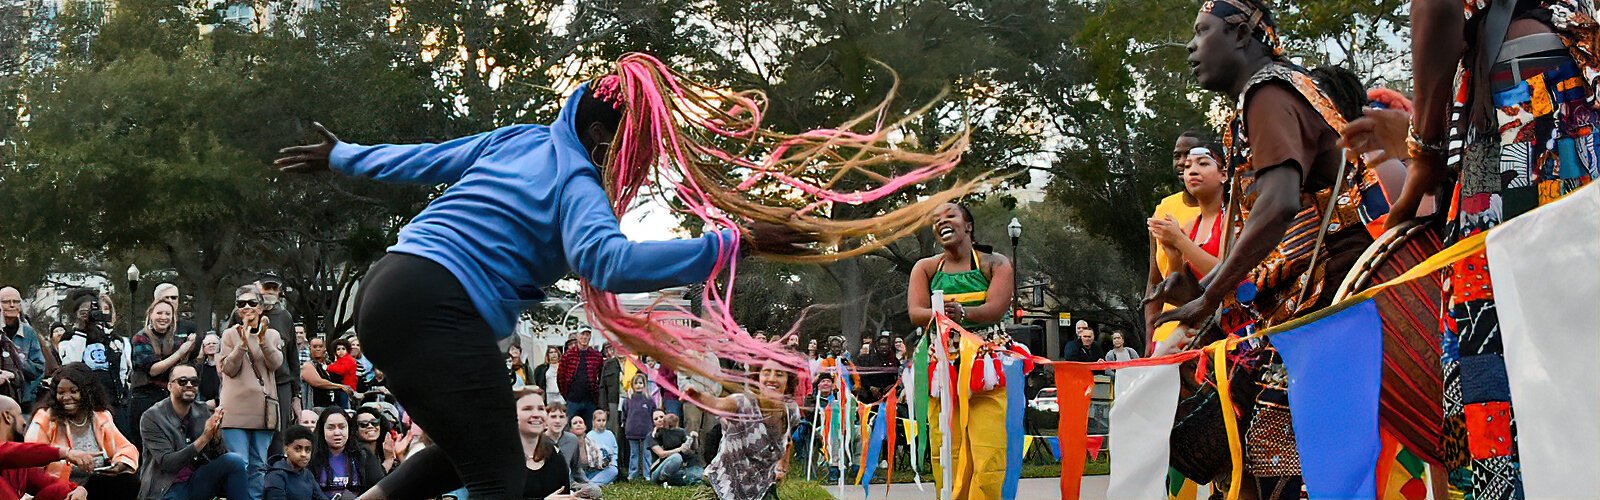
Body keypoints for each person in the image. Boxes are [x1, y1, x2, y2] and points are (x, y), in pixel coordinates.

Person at [271, 45, 998, 495]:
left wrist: (342, 156)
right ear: (610, 140)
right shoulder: (578, 181)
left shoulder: (518, 139)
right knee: (501, 478)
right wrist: (725, 243)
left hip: (387, 289)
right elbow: (610, 262)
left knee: (466, 455)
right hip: (441, 305)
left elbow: (423, 157)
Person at [1337, 0, 1598, 496]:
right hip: (1569, 97)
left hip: (1525, 103)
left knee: (1498, 351)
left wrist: (1423, 154)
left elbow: (1435, 10)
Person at [1159, 1, 1383, 496]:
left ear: (1240, 34)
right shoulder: (1273, 93)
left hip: (1329, 298)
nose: (1192, 48)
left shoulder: (1268, 90)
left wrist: (1212, 294)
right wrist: (1204, 291)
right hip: (1320, 300)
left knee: (1281, 472)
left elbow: (1279, 205)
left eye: (1202, 32)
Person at [907, 201, 1021, 499]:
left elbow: (996, 308)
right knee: (947, 453)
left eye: (950, 216)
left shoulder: (995, 263)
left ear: (968, 225)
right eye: (936, 219)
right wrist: (938, 313)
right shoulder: (926, 267)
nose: (942, 222)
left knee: (987, 455)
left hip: (984, 372)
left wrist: (962, 313)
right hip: (942, 372)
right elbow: (915, 311)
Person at [365, 392, 578, 499]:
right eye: (528, 408)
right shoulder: (490, 459)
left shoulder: (554, 457)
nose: (536, 414)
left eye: (541, 408)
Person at [685, 361, 800, 500]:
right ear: (758, 378)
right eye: (766, 373)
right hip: (721, 490)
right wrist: (699, 398)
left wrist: (783, 465)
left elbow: (787, 441)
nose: (771, 378)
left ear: (788, 381)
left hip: (760, 492)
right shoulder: (743, 404)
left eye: (779, 374)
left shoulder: (791, 411)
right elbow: (716, 403)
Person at [137, 364, 252, 500]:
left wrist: (215, 437)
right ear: (169, 386)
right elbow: (167, 463)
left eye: (194, 381)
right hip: (165, 488)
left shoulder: (202, 411)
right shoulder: (152, 417)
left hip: (196, 480)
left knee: (235, 461)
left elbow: (219, 456)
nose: (190, 385)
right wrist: (204, 438)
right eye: (183, 381)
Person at [25, 363, 139, 497]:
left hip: (93, 487)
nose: (66, 397)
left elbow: (126, 448)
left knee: (129, 481)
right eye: (61, 392)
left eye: (73, 391)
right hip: (58, 488)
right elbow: (31, 461)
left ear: (87, 391)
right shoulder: (45, 418)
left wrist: (119, 465)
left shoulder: (100, 416)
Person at [1143, 132, 1209, 352]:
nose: (1182, 163)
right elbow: (1154, 283)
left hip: (1206, 334)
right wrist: (1149, 341)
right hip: (1165, 336)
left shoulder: (1223, 211)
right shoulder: (1164, 209)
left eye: (1190, 155)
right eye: (1177, 156)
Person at [218, 284, 286, 498]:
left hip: (263, 409)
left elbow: (276, 364)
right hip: (235, 408)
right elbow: (228, 369)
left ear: (261, 307)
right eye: (241, 304)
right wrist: (242, 343)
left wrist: (263, 340)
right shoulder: (229, 335)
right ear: (237, 310)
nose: (247, 307)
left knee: (259, 464)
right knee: (240, 462)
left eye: (252, 303)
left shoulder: (273, 334)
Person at [55, 291, 131, 437]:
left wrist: (122, 394)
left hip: (114, 400)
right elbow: (70, 364)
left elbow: (122, 370)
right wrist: (82, 329)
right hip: (86, 402)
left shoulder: (113, 338)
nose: (90, 314)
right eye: (84, 311)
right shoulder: (69, 338)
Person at [1149, 146, 1227, 282]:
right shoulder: (1190, 227)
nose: (1192, 172)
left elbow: (1228, 276)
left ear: (1223, 175)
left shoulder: (1234, 218)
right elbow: (1177, 293)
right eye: (1187, 166)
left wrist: (1179, 240)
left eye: (1203, 163)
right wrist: (1174, 255)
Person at [128, 299, 199, 449]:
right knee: (145, 446)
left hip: (169, 398)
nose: (163, 317)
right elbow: (152, 370)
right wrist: (180, 352)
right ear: (151, 315)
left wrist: (189, 351)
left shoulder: (178, 340)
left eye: (168, 314)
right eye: (159, 313)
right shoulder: (140, 338)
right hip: (145, 397)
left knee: (173, 444)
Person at [0, 395, 91, 500]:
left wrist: (77, 489)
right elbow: (14, 452)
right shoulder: (13, 454)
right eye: (20, 415)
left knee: (61, 491)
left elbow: (47, 483)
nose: (25, 422)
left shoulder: (19, 464)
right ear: (7, 416)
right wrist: (65, 453)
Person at [308, 407, 384, 497]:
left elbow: (378, 489)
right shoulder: (311, 456)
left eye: (342, 427)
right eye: (331, 428)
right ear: (322, 430)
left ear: (349, 429)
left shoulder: (363, 455)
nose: (337, 432)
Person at [0, 288, 50, 411]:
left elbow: (39, 368)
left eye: (16, 301)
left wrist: (16, 365)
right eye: (6, 302)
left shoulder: (29, 333)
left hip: (25, 402)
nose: (12, 305)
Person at [557, 330, 603, 433]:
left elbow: (600, 377)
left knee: (591, 431)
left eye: (587, 335)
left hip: (590, 401)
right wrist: (567, 395)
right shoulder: (568, 356)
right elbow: (561, 377)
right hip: (572, 400)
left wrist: (596, 396)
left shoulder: (597, 356)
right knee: (568, 429)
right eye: (582, 334)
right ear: (577, 336)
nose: (584, 337)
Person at [264, 425, 327, 500]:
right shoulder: (275, 476)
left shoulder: (308, 475)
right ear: (286, 449)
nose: (303, 454)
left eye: (308, 450)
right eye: (297, 449)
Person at [647, 411, 698, 486]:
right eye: (656, 419)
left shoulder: (680, 431)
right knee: (676, 457)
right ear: (653, 422)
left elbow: (693, 448)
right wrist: (679, 449)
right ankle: (662, 480)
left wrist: (694, 438)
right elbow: (661, 454)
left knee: (697, 476)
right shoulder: (652, 435)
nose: (660, 420)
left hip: (678, 468)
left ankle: (677, 479)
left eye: (662, 417)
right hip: (659, 469)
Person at [620, 374, 655, 482]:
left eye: (640, 383)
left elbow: (653, 413)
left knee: (646, 453)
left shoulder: (649, 400)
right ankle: (632, 474)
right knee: (634, 453)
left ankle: (647, 474)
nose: (638, 385)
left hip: (646, 431)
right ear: (632, 385)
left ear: (644, 385)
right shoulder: (628, 400)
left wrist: (653, 428)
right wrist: (624, 424)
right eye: (636, 383)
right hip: (632, 430)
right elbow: (624, 414)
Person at [301, 337, 352, 411]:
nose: (318, 349)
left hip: (336, 405)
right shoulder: (307, 365)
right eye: (315, 347)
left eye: (320, 346)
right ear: (310, 348)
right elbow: (318, 382)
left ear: (324, 348)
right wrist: (340, 386)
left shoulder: (330, 364)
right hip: (317, 407)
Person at [353, 407, 398, 474]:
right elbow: (375, 481)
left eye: (374, 422)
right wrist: (388, 460)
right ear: (356, 430)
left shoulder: (384, 449)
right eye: (364, 424)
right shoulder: (357, 455)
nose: (370, 426)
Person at [583, 410, 618, 486]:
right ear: (593, 421)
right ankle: (597, 483)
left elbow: (615, 451)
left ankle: (592, 484)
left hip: (608, 467)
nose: (601, 423)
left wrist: (613, 463)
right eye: (599, 420)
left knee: (614, 471)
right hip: (593, 468)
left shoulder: (610, 434)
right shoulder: (589, 436)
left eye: (603, 420)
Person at [325, 340, 358, 410]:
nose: (341, 351)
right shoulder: (339, 360)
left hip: (347, 388)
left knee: (344, 407)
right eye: (338, 349)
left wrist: (327, 367)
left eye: (343, 349)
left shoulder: (349, 359)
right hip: (341, 387)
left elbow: (341, 370)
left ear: (347, 350)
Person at [195, 334, 222, 407]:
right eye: (208, 344)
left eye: (214, 343)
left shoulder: (226, 365)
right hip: (203, 404)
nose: (211, 345)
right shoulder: (201, 367)